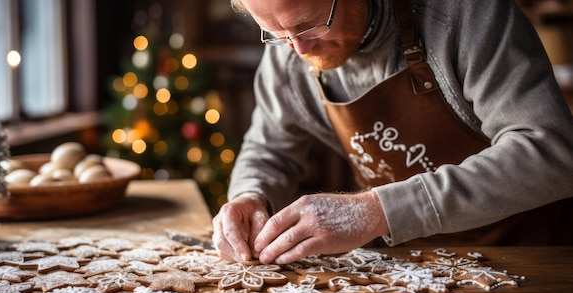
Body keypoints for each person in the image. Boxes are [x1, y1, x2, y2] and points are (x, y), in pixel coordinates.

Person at [212, 0, 573, 265]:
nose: (299, 48)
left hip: (530, 260)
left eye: (310, 24)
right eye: (277, 34)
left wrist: (378, 211)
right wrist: (250, 195)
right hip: (408, 268)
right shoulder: (290, 53)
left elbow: (553, 152)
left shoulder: (465, 15)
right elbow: (268, 150)